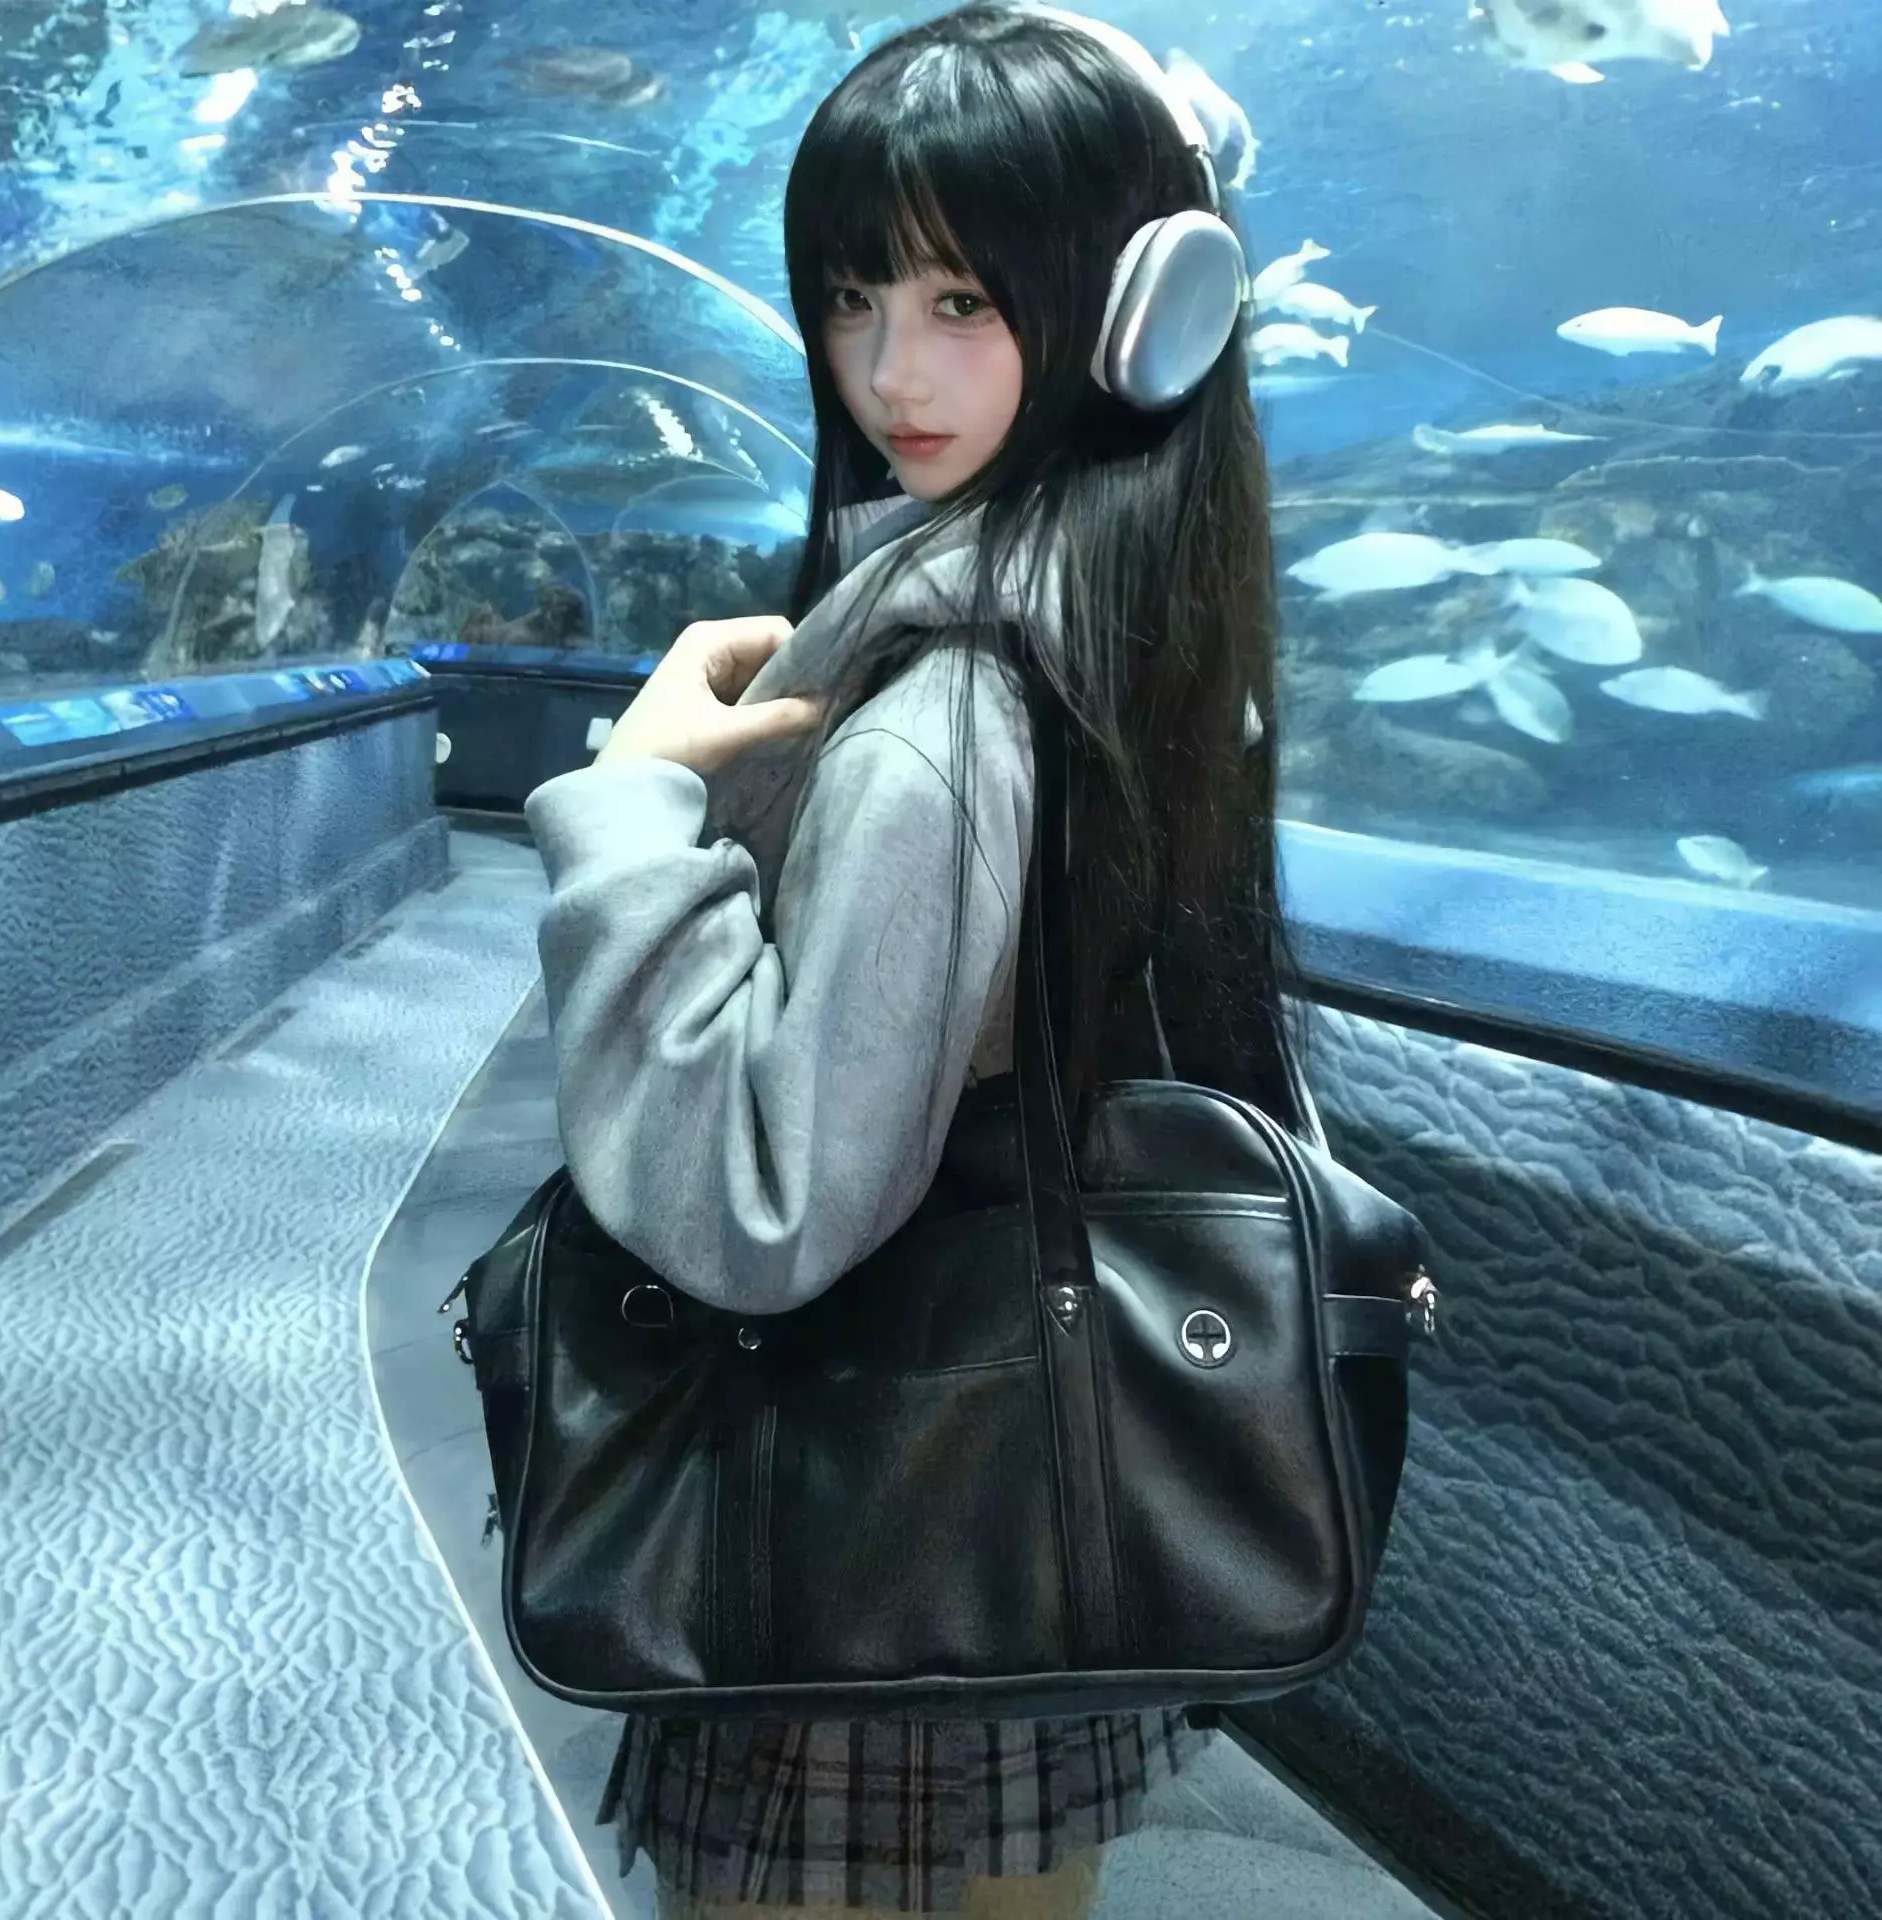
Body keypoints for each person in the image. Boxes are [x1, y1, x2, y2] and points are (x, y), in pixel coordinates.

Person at [520, 3, 1310, 1911]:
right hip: (1032, 1463)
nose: (889, 372)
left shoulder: (939, 719)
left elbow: (761, 1207)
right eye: (852, 298)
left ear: (1138, 310)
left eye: (963, 299)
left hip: (866, 1501)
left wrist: (629, 810)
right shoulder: (1132, 614)